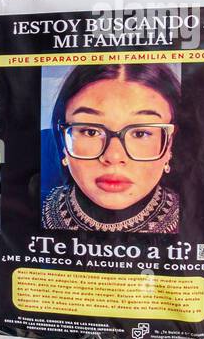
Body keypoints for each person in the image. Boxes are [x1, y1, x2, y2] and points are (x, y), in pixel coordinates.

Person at [43, 63, 181, 233]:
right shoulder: (30, 210)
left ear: (169, 144)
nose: (114, 156)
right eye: (91, 131)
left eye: (140, 133)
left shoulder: (200, 223)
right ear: (63, 141)